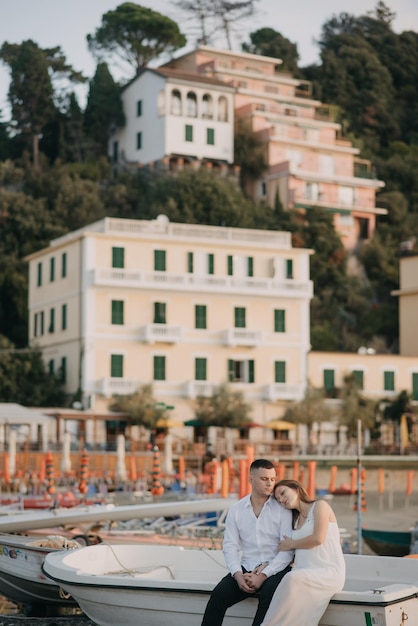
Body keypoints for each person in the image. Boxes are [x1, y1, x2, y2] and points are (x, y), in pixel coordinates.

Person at [201, 459, 294, 626]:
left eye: (272, 479)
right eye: (264, 479)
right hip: (246, 566)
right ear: (251, 480)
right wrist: (237, 575)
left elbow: (287, 551)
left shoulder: (282, 509)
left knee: (269, 595)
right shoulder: (236, 510)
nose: (270, 484)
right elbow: (230, 546)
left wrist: (263, 575)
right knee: (219, 594)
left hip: (275, 567)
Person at [257, 479, 346, 626]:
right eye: (278, 500)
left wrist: (291, 544)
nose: (281, 499)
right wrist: (267, 565)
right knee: (289, 579)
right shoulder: (295, 520)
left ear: (296, 488)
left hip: (327, 571)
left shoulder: (320, 506)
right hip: (304, 571)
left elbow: (318, 538)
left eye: (283, 493)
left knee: (291, 579)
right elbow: (289, 552)